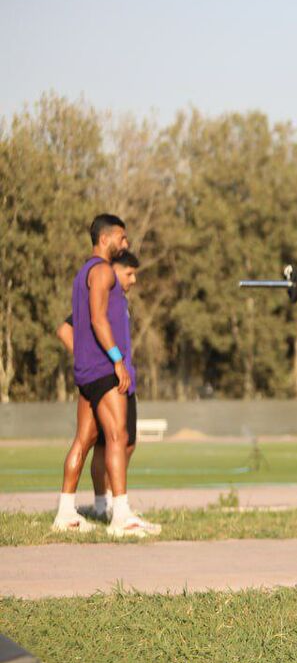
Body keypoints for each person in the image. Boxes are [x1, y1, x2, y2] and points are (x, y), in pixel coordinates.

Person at [63, 215, 158, 537]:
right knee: (117, 438)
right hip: (104, 370)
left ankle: (65, 513)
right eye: (122, 237)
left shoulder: (82, 273)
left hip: (89, 371)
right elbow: (98, 320)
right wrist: (117, 360)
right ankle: (121, 517)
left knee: (85, 440)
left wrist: (85, 357)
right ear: (105, 238)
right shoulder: (102, 270)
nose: (126, 244)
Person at [56, 250, 142, 525]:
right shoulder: (102, 291)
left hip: (102, 375)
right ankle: (117, 511)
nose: (133, 279)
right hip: (108, 376)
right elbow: (66, 329)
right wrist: (102, 359)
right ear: (114, 271)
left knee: (97, 441)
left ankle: (68, 511)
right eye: (129, 273)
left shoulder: (115, 301)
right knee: (116, 439)